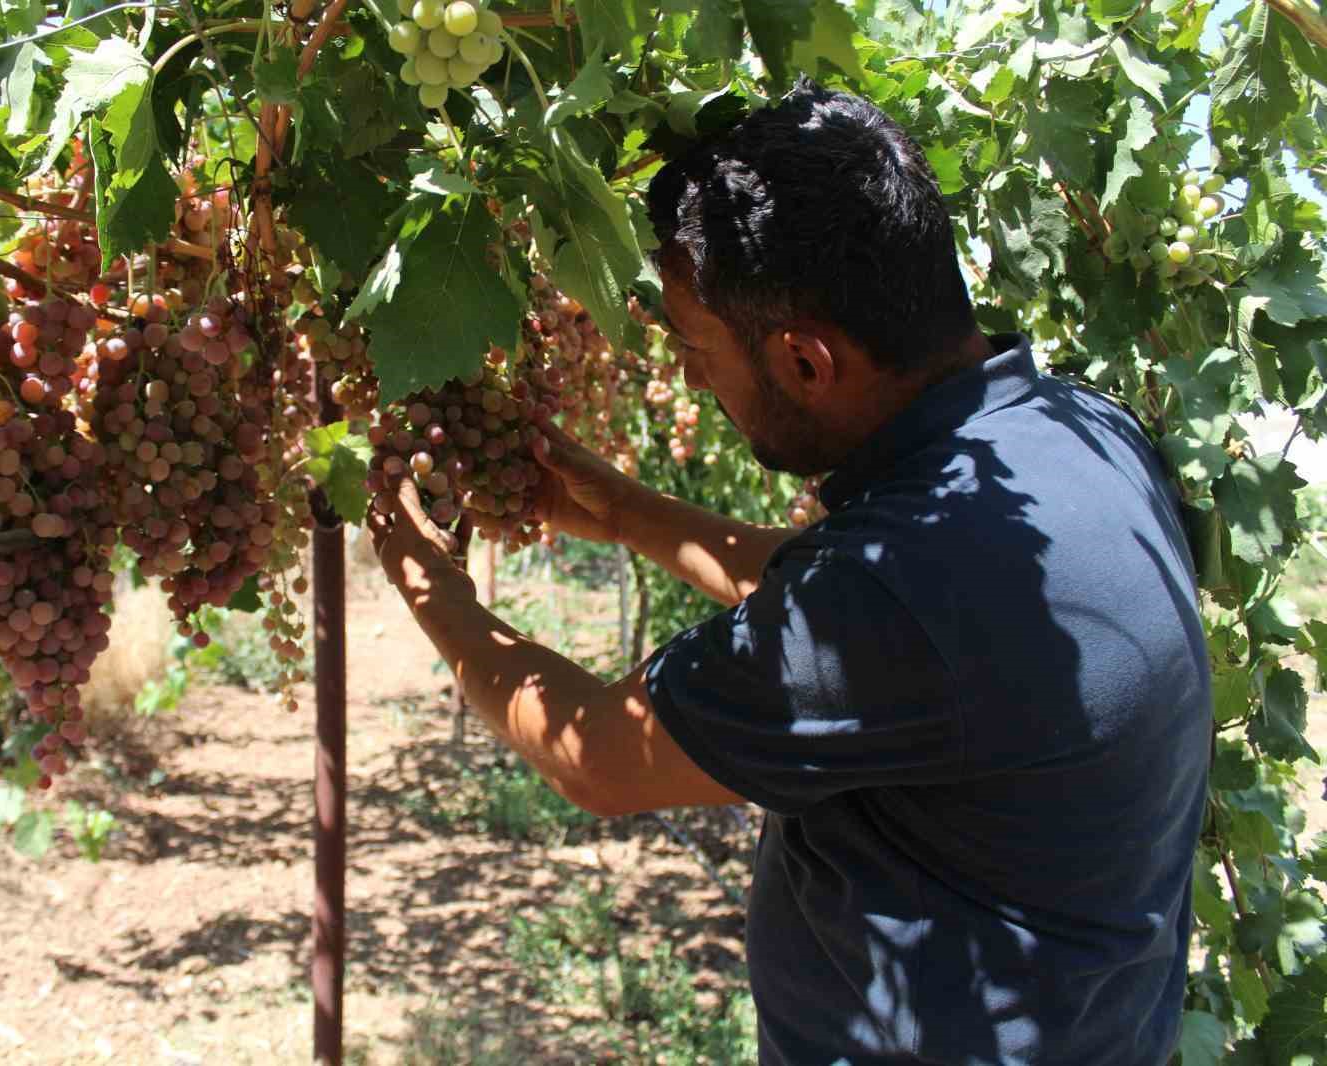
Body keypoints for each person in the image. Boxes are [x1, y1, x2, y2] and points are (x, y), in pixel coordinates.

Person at [367, 80, 1211, 1066]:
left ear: (805, 363)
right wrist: (618, 506)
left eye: (693, 346)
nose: (685, 376)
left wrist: (431, 582)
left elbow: (598, 755)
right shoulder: (1069, 435)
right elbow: (862, 602)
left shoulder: (898, 591)